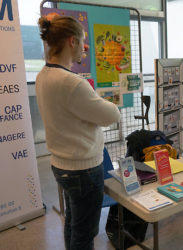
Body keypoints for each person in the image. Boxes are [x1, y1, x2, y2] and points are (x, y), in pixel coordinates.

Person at [36, 16, 121, 250]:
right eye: (83, 41)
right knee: (84, 233)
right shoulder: (72, 83)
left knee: (73, 223)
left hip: (62, 165)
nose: (85, 49)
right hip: (82, 169)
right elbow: (112, 115)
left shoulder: (43, 75)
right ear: (71, 41)